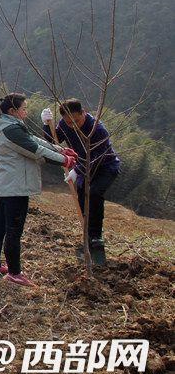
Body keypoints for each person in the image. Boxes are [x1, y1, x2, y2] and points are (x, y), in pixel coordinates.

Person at [0, 94, 73, 286]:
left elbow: (34, 140)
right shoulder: (11, 129)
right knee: (13, 230)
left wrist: (61, 150)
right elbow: (35, 149)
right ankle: (15, 272)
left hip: (5, 183)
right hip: (15, 186)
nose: (26, 111)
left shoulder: (5, 126)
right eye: (24, 108)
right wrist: (64, 160)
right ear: (12, 111)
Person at [41, 99, 120, 257]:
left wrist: (77, 170)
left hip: (106, 167)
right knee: (82, 199)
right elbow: (53, 141)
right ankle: (88, 237)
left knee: (94, 193)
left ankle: (96, 237)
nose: (73, 125)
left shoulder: (97, 129)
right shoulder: (65, 124)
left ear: (83, 112)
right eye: (69, 122)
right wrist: (45, 124)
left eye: (76, 120)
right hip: (84, 168)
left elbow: (98, 157)